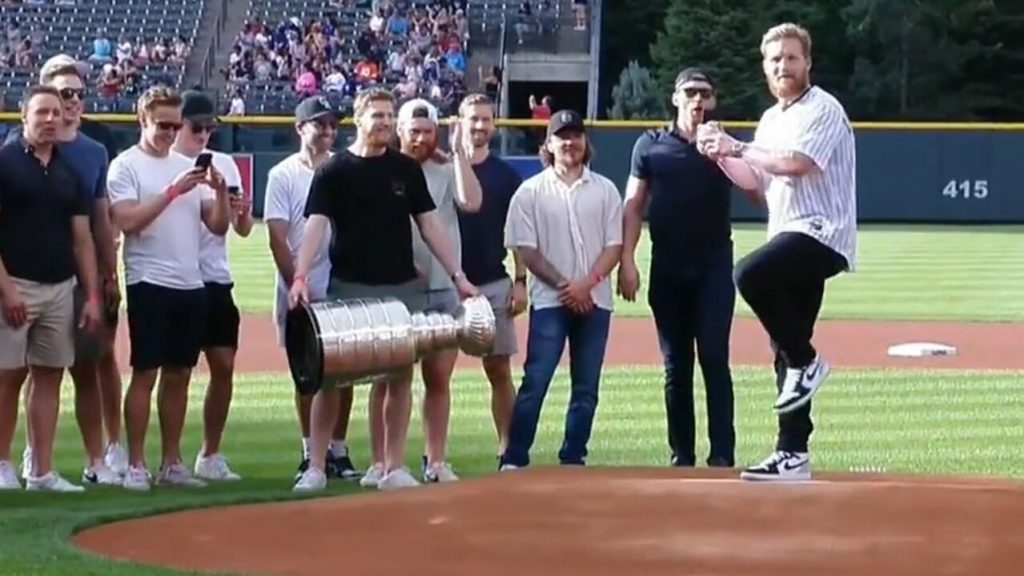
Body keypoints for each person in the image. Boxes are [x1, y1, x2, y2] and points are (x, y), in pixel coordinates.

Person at [289, 88, 477, 492]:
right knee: (330, 380)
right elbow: (316, 227)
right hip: (348, 286)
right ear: (359, 119)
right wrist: (300, 276)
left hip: (400, 289)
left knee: (398, 378)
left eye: (390, 116)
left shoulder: (404, 170)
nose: (386, 123)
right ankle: (316, 466)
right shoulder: (333, 171)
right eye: (377, 115)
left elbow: (431, 226)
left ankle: (392, 466)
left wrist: (458, 275)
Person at [697, 22, 857, 482]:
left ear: (807, 62)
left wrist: (737, 145)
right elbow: (757, 184)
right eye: (774, 59)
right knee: (782, 346)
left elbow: (796, 165)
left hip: (822, 234)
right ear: (764, 67)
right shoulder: (771, 119)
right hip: (787, 231)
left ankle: (808, 362)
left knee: (749, 274)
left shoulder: (822, 109)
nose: (783, 66)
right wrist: (721, 156)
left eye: (790, 57)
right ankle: (793, 452)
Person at [619, 68, 756, 469]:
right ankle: (681, 454)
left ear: (713, 102)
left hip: (713, 266)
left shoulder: (723, 144)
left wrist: (729, 151)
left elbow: (755, 192)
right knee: (676, 364)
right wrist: (627, 259)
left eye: (706, 94)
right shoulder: (650, 145)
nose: (698, 100)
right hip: (668, 268)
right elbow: (633, 204)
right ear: (676, 98)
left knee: (714, 357)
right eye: (691, 92)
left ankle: (722, 454)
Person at [6, 55, 124, 486]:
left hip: (71, 279)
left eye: (75, 95)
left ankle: (74, 463)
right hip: (22, 276)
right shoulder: (10, 155)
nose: (67, 105)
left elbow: (93, 225)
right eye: (58, 97)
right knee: (13, 374)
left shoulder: (84, 156)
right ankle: (17, 460)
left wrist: (103, 282)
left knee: (74, 369)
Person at [107, 85, 232, 491]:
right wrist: (174, 189)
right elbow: (127, 221)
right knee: (145, 373)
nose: (169, 131)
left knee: (180, 375)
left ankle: (172, 462)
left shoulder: (186, 164)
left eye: (175, 125)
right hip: (149, 281)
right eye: (162, 124)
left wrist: (217, 192)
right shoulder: (126, 166)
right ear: (142, 119)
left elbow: (215, 225)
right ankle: (137, 463)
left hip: (190, 282)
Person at [500, 110, 623, 470]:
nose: (569, 142)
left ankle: (573, 456)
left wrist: (587, 284)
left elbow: (614, 245)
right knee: (536, 380)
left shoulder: (605, 189)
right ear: (548, 145)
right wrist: (566, 286)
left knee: (586, 388)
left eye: (576, 135)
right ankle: (515, 456)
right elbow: (526, 249)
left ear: (586, 143)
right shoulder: (530, 191)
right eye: (561, 136)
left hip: (596, 299)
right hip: (550, 301)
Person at [264, 96, 361, 482]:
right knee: (307, 374)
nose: (327, 131)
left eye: (332, 125)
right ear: (300, 128)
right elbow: (276, 236)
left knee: (347, 371)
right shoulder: (283, 174)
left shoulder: (344, 169)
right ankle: (310, 450)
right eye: (319, 124)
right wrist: (296, 282)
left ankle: (338, 450)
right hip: (298, 286)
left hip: (339, 280)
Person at [396, 97, 482, 485]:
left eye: (428, 132)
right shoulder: (387, 170)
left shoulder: (446, 169)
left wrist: (460, 149)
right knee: (391, 379)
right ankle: (386, 462)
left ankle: (435, 459)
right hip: (399, 286)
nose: (421, 139)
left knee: (438, 379)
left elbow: (470, 201)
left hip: (443, 287)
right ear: (401, 131)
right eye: (414, 132)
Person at [170, 90, 250, 482]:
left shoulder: (225, 165)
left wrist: (241, 210)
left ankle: (210, 453)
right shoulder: (163, 164)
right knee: (178, 371)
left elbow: (238, 227)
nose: (202, 135)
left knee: (223, 366)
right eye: (195, 127)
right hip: (177, 277)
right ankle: (172, 459)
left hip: (216, 275)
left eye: (208, 128)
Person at [455, 93, 526, 463]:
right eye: (473, 119)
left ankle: (507, 451)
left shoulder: (506, 175)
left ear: (494, 124)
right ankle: (434, 456)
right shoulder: (441, 169)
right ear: (460, 122)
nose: (480, 126)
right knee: (437, 373)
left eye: (486, 119)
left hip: (493, 282)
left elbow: (519, 234)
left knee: (499, 369)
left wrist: (520, 280)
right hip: (448, 285)